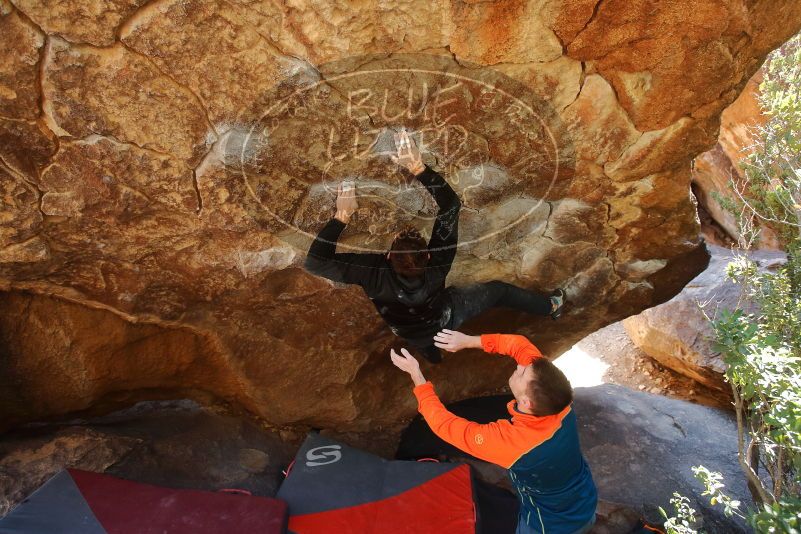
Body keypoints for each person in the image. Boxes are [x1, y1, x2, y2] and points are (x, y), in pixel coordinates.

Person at [304, 130, 565, 363]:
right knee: (499, 291)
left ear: (387, 256)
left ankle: (432, 356)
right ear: (428, 255)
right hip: (443, 318)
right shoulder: (436, 266)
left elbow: (315, 263)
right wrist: (418, 167)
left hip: (407, 330)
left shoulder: (372, 272)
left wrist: (342, 217)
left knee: (425, 343)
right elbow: (450, 206)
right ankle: (550, 307)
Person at [391, 329, 598, 534]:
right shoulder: (558, 401)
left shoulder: (513, 444)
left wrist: (417, 376)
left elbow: (445, 426)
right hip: (586, 500)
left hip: (550, 526)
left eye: (522, 372)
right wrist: (467, 340)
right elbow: (519, 345)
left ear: (526, 402)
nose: (519, 366)